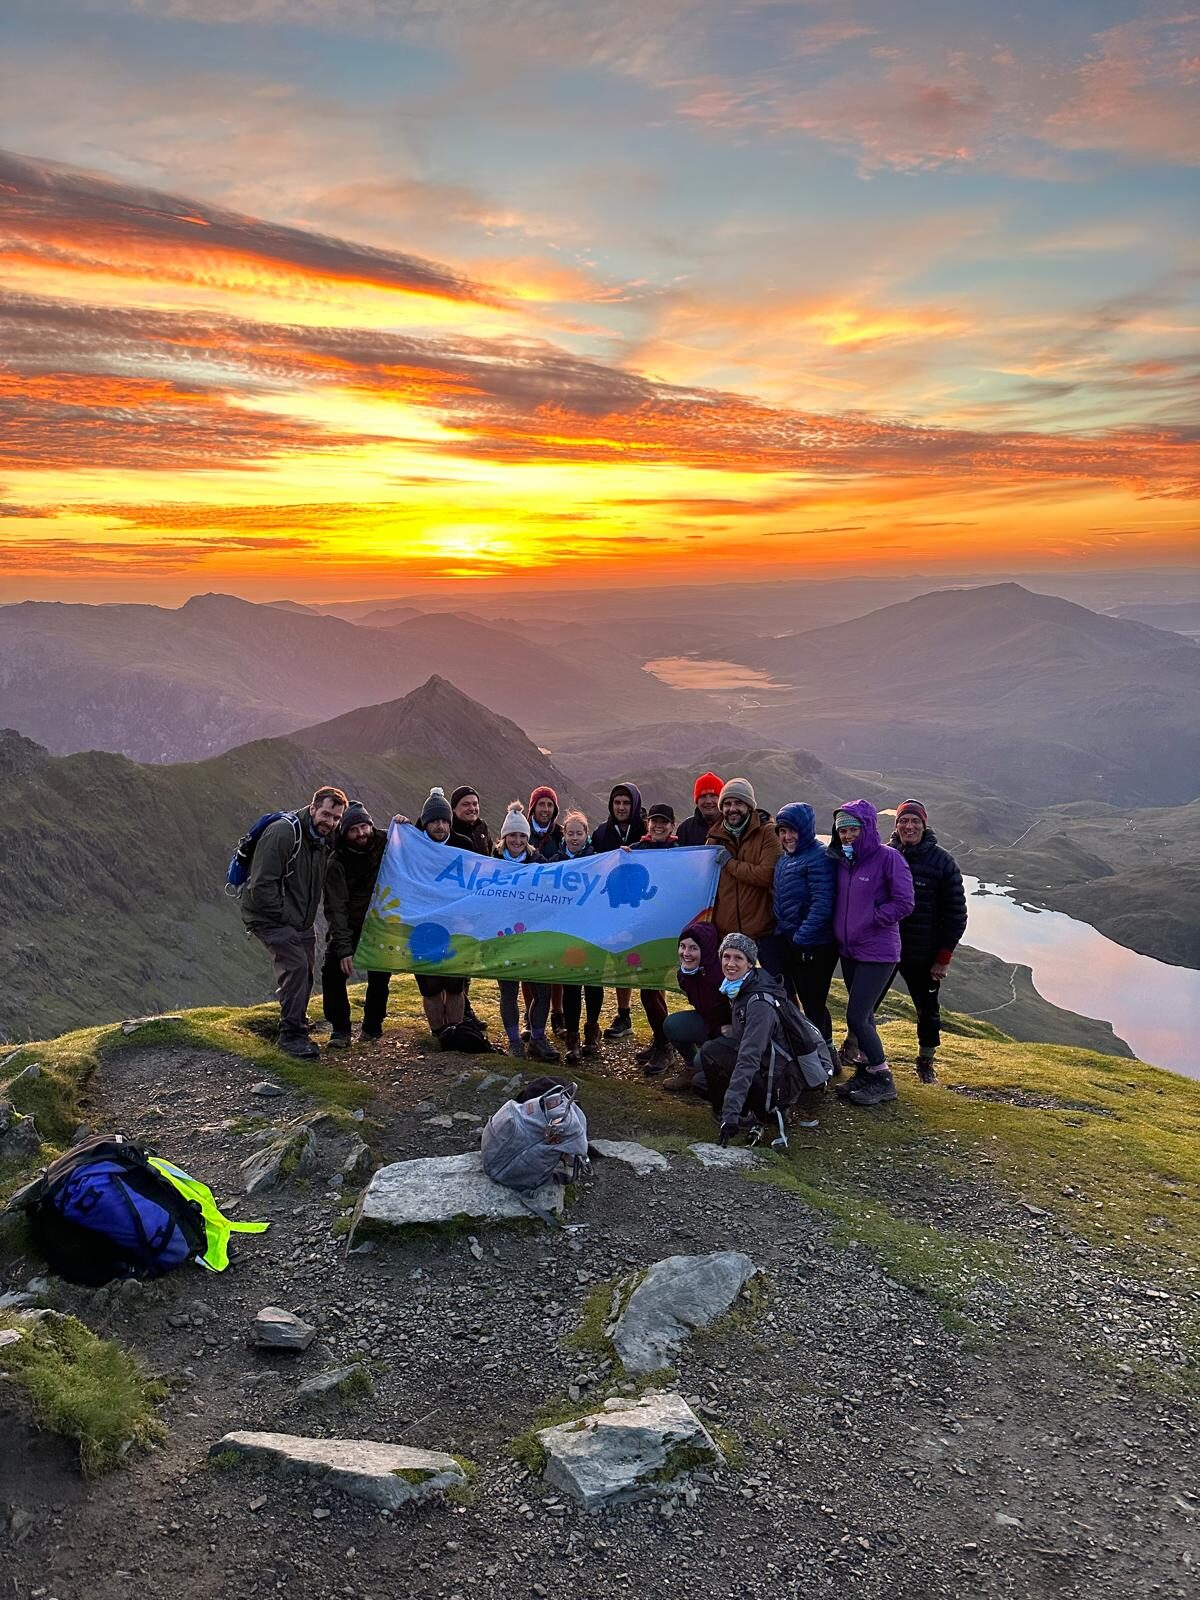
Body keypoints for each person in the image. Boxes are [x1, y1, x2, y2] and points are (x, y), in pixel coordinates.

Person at [241, 786, 347, 1058]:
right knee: (296, 967)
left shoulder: (323, 837)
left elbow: (365, 835)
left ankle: (296, 1020)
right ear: (312, 808)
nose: (330, 822)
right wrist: (291, 918)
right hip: (268, 915)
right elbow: (262, 886)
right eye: (325, 814)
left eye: (336, 818)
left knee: (306, 970)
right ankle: (290, 1038)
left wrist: (400, 828)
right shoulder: (283, 833)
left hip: (299, 918)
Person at [697, 933, 830, 1142]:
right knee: (703, 1081)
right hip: (772, 1070)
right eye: (726, 956)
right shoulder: (747, 986)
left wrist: (730, 1113)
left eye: (738, 958)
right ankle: (753, 1110)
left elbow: (749, 1057)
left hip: (777, 1082)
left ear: (750, 963)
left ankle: (755, 1115)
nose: (730, 963)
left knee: (711, 1053)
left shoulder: (759, 1002)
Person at [828, 800, 914, 1107]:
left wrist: (871, 918)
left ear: (867, 829)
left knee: (856, 1016)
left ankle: (882, 1078)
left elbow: (905, 903)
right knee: (864, 1017)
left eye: (853, 829)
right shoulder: (843, 861)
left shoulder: (888, 858)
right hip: (850, 950)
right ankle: (865, 1071)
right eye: (843, 832)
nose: (848, 836)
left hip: (879, 950)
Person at [887, 800, 968, 1083]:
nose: (909, 826)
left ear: (924, 824)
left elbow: (956, 914)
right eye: (903, 821)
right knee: (865, 1003)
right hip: (884, 948)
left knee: (927, 1009)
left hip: (923, 953)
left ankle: (925, 1060)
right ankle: (855, 1048)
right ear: (896, 826)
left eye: (914, 822)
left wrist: (943, 958)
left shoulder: (942, 862)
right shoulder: (886, 855)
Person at [493, 803, 559, 1063]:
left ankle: (537, 1037)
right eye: (513, 835)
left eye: (522, 835)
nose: (518, 840)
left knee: (542, 991)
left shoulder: (539, 862)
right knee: (508, 991)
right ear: (504, 837)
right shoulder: (491, 861)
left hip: (534, 939)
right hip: (503, 939)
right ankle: (513, 1042)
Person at [321, 800, 390, 1048]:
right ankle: (340, 1030)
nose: (361, 833)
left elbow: (417, 843)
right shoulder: (337, 861)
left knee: (380, 976)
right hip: (349, 925)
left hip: (381, 924)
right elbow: (335, 907)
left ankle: (373, 1026)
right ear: (345, 832)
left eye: (364, 827)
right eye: (354, 829)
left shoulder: (387, 842)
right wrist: (343, 948)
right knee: (332, 974)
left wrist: (408, 824)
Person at [773, 802, 838, 1047]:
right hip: (794, 940)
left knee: (814, 1002)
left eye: (792, 830)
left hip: (815, 944)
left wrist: (801, 937)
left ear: (806, 829)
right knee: (806, 999)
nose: (787, 836)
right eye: (782, 831)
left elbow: (823, 903)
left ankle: (825, 1051)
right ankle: (815, 1049)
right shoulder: (786, 859)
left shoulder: (819, 857)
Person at [409, 787, 469, 1047]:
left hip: (456, 926)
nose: (440, 825)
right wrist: (401, 825)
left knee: (455, 985)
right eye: (434, 820)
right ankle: (438, 1033)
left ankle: (454, 1032)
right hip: (421, 927)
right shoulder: (411, 846)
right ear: (425, 822)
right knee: (430, 986)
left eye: (444, 820)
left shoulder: (464, 845)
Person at [544, 809, 604, 1065]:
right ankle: (572, 1039)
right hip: (567, 934)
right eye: (570, 833)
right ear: (564, 835)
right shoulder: (555, 861)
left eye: (579, 833)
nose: (575, 838)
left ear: (587, 835)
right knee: (571, 986)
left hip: (594, 931)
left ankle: (592, 1030)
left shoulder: (601, 860)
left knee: (593, 983)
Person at [709, 778, 783, 975]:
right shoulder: (714, 838)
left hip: (762, 932)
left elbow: (767, 875)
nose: (732, 808)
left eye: (738, 803)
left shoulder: (768, 833)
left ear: (749, 806)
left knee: (779, 988)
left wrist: (730, 864)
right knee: (729, 992)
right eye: (727, 804)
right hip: (727, 934)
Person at [591, 782, 648, 1038]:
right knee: (604, 960)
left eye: (626, 803)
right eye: (617, 803)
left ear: (634, 805)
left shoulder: (645, 832)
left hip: (638, 910)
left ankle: (624, 1014)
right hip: (606, 909)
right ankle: (594, 1018)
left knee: (627, 959)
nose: (621, 807)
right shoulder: (601, 833)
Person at [631, 803, 678, 1073]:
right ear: (648, 823)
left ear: (672, 825)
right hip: (643, 931)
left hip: (667, 933)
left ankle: (665, 1047)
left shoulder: (680, 852)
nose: (658, 826)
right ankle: (660, 1040)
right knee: (649, 989)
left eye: (664, 822)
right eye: (654, 821)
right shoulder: (638, 850)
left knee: (650, 991)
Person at [661, 921, 730, 1093]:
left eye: (693, 948)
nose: (686, 953)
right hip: (710, 1023)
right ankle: (692, 1069)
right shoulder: (685, 974)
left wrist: (733, 1028)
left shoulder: (723, 974)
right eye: (682, 946)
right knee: (672, 1025)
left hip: (732, 1032)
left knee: (704, 1060)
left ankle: (723, 1079)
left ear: (705, 950)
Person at [524, 785, 566, 1036]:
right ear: (533, 807)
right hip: (527, 910)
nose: (546, 810)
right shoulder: (521, 833)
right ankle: (530, 1017)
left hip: (556, 910)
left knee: (557, 965)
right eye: (542, 804)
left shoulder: (561, 834)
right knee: (528, 967)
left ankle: (557, 1014)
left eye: (550, 805)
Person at [676, 772, 724, 847]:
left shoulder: (733, 826)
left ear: (721, 799)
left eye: (713, 796)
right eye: (703, 796)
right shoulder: (685, 828)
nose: (708, 801)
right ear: (697, 801)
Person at [449, 786, 493, 855]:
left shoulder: (482, 827)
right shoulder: (448, 830)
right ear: (454, 808)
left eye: (475, 804)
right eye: (466, 804)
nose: (472, 808)